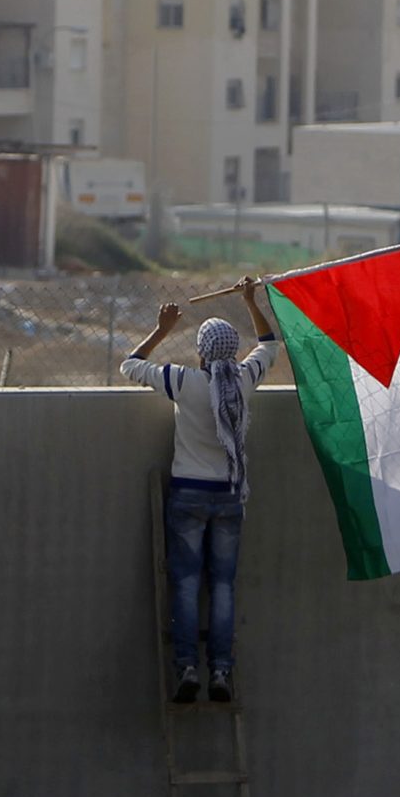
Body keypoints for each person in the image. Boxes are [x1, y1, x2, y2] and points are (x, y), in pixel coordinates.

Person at [122, 277, 281, 704]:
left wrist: (161, 330)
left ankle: (188, 666)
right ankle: (222, 673)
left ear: (201, 353)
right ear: (232, 351)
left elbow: (131, 365)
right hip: (229, 496)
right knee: (224, 586)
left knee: (188, 584)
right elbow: (269, 344)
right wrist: (251, 300)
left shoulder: (184, 382)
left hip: (188, 495)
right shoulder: (246, 380)